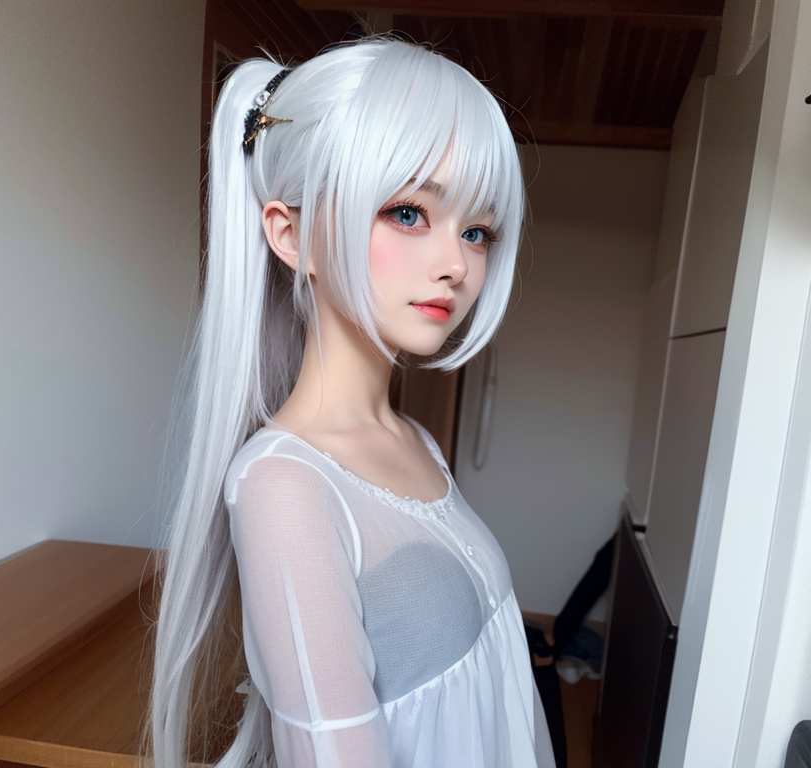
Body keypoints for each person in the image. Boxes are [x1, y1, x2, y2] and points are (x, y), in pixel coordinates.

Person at [149, 35, 555, 768]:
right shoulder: (284, 487)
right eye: (408, 213)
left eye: (476, 231)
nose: (456, 264)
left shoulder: (414, 441)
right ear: (292, 235)